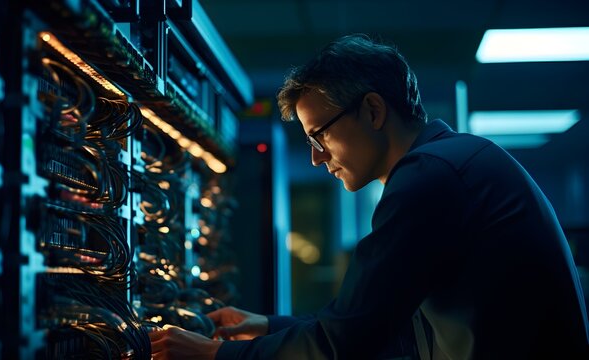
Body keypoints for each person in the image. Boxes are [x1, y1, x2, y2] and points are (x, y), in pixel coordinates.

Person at [150, 34, 589, 359]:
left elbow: (347, 340)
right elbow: (392, 328)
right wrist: (266, 327)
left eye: (319, 135)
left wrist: (213, 355)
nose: (318, 158)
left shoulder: (429, 176)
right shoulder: (456, 162)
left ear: (373, 110)